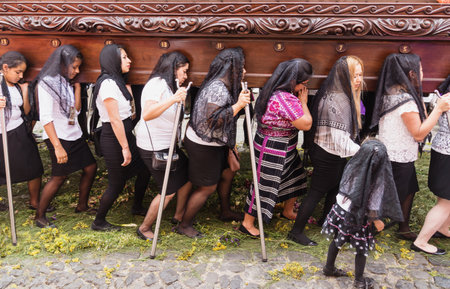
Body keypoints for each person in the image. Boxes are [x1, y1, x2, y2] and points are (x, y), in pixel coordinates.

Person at [371, 53, 450, 241]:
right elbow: (419, 133)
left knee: (410, 189)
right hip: (398, 156)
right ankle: (368, 231)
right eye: (421, 70)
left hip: (397, 152)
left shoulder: (393, 92)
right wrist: (438, 109)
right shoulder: (405, 102)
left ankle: (403, 227)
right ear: (412, 74)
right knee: (391, 196)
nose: (424, 73)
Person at [288, 56, 364, 246]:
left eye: (361, 75)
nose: (358, 80)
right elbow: (340, 140)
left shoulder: (336, 92)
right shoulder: (338, 99)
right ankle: (296, 232)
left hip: (328, 150)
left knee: (335, 187)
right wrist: (365, 152)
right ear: (343, 75)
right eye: (354, 75)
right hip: (327, 152)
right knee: (317, 192)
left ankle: (326, 221)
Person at [178, 47, 250, 238]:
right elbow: (213, 120)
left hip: (214, 142)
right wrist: (238, 106)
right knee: (206, 187)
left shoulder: (222, 84)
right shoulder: (217, 88)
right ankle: (184, 224)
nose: (244, 72)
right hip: (204, 145)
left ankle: (225, 211)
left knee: (227, 173)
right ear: (231, 68)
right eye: (242, 67)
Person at [240, 59, 313, 237]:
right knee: (263, 185)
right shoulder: (284, 98)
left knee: (295, 175)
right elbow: (306, 124)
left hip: (281, 144)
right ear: (293, 80)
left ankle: (288, 211)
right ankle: (246, 223)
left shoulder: (274, 88)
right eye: (304, 83)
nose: (305, 86)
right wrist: (304, 102)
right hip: (273, 146)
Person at [321, 139, 403, 289]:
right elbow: (372, 203)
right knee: (361, 248)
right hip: (358, 216)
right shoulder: (377, 179)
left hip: (341, 210)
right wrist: (376, 220)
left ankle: (328, 267)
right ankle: (359, 280)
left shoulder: (353, 167)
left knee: (337, 240)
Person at [35, 45, 97, 228]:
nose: (77, 71)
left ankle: (82, 206)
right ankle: (39, 216)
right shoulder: (46, 83)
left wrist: (77, 88)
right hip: (59, 137)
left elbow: (75, 110)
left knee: (91, 167)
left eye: (79, 67)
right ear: (62, 64)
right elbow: (45, 118)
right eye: (74, 67)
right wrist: (57, 146)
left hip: (73, 133)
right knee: (59, 177)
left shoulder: (64, 81)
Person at [91, 44, 150, 231]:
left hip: (124, 135)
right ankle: (98, 221)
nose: (129, 60)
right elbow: (115, 120)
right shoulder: (107, 83)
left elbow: (128, 114)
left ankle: (137, 206)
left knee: (144, 168)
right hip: (114, 138)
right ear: (113, 60)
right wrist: (125, 148)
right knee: (116, 184)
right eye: (124, 57)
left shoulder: (116, 81)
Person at [135, 51, 192, 240]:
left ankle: (178, 215)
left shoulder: (169, 86)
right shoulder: (156, 84)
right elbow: (148, 113)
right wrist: (174, 99)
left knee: (187, 172)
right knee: (167, 191)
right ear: (174, 68)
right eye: (183, 71)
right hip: (154, 146)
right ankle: (144, 228)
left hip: (168, 145)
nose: (185, 76)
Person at [0, 51, 44, 211]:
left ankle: (35, 201)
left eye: (22, 72)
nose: (20, 75)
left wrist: (25, 91)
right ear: (5, 67)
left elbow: (26, 111)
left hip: (17, 130)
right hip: (1, 132)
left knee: (34, 167)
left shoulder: (18, 86)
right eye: (17, 72)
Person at [411, 75, 450, 255]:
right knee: (445, 203)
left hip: (443, 150)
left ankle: (443, 228)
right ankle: (421, 241)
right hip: (447, 155)